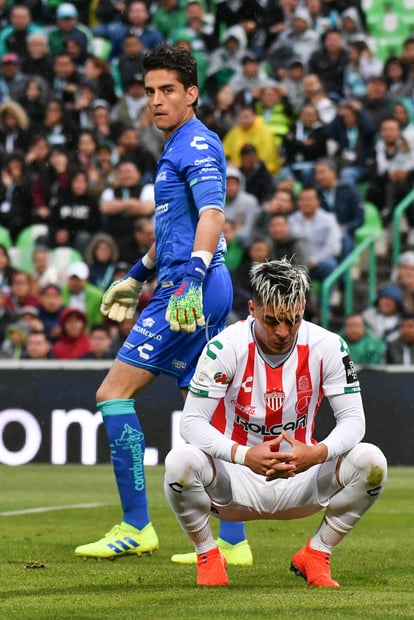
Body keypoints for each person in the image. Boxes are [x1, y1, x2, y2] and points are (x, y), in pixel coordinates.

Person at [74, 43, 237, 561]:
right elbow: (176, 227)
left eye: (168, 90)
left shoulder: (195, 145)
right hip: (194, 281)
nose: (157, 101)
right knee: (206, 415)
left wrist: (189, 278)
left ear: (192, 93)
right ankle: (233, 541)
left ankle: (137, 524)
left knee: (112, 392)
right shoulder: (181, 145)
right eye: (149, 92)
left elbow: (213, 215)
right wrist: (136, 274)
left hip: (190, 287)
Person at [164, 259, 387, 587]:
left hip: (303, 475)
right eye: (271, 321)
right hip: (234, 481)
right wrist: (244, 456)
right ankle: (208, 556)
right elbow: (191, 423)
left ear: (304, 309)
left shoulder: (329, 346)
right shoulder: (225, 347)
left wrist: (317, 454)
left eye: (292, 320)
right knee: (178, 462)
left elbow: (354, 421)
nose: (282, 332)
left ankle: (317, 553)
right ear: (252, 309)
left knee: (372, 462)